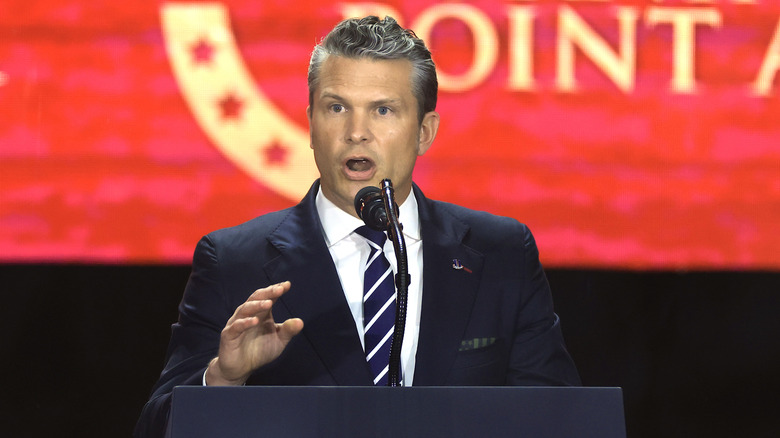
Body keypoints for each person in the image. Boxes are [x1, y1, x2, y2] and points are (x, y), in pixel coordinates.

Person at [135, 15, 580, 438]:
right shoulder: (234, 261)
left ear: (425, 132)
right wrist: (224, 380)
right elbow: (157, 428)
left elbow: (560, 421)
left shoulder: (502, 253)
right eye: (336, 107)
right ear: (310, 124)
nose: (356, 133)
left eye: (383, 111)